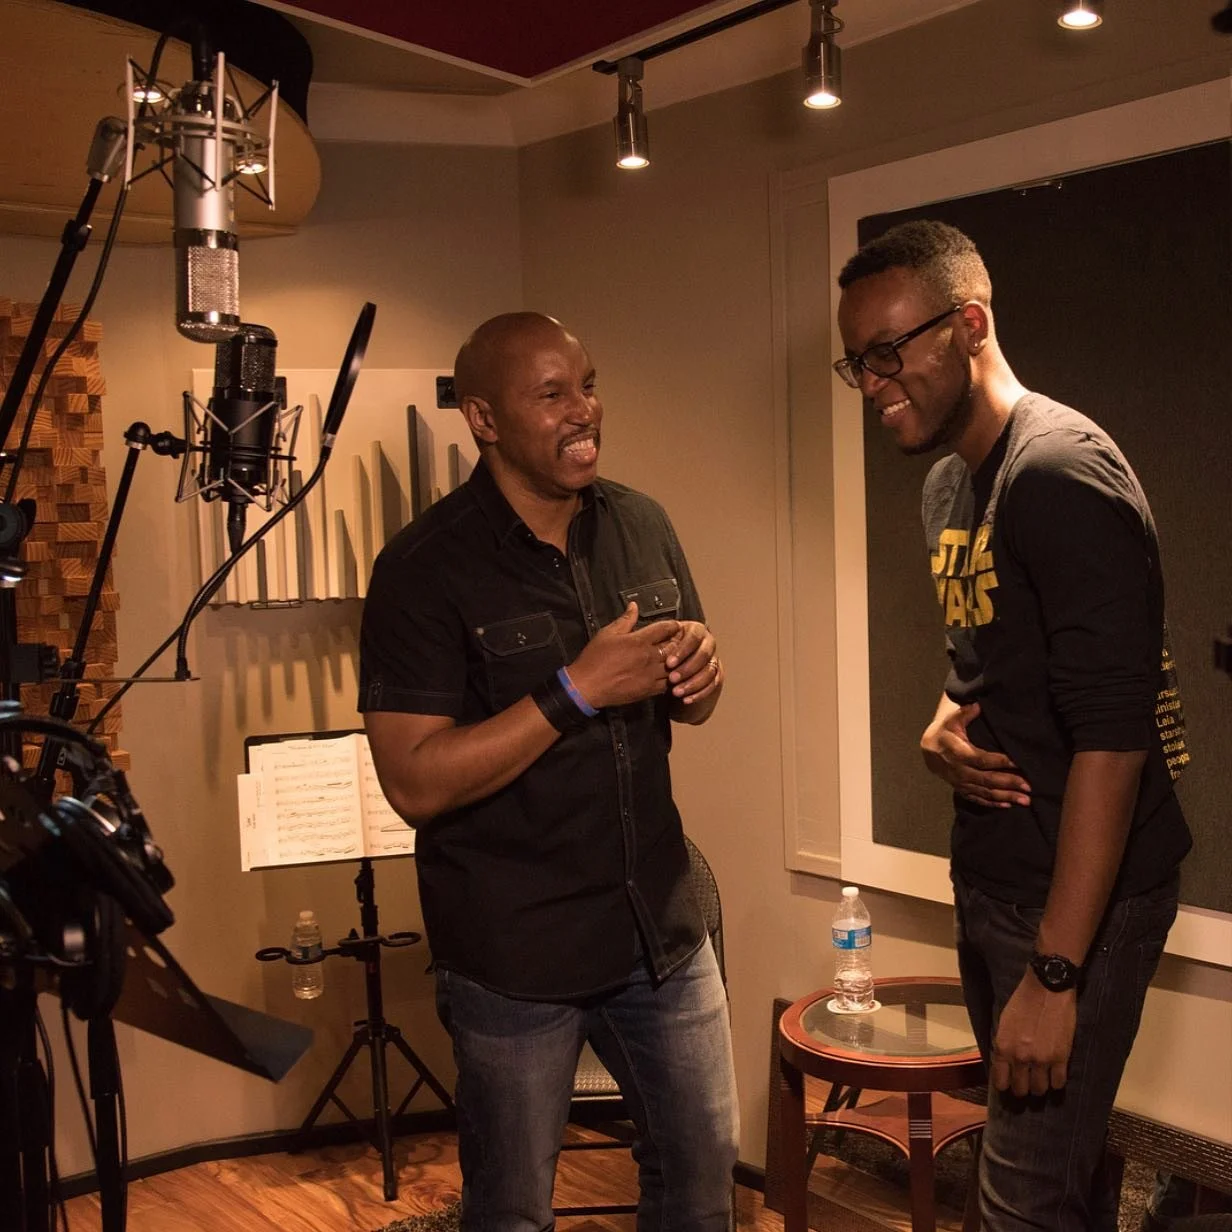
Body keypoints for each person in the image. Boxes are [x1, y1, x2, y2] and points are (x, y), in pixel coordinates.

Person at [834, 221, 1191, 1231]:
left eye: (889, 351)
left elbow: (1114, 738)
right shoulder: (949, 483)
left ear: (971, 325)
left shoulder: (1060, 475)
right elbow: (985, 660)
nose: (872, 383)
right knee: (1056, 1188)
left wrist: (1054, 970)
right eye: (857, 361)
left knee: (1018, 1207)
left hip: (1074, 909)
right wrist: (937, 730)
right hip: (995, 879)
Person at [358, 312, 738, 1231]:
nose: (585, 410)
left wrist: (700, 678)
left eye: (589, 385)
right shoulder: (421, 568)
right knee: (512, 1213)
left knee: (701, 1182)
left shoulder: (642, 522)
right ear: (484, 419)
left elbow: (687, 701)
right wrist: (575, 690)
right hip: (513, 957)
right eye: (552, 394)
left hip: (660, 930)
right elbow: (413, 782)